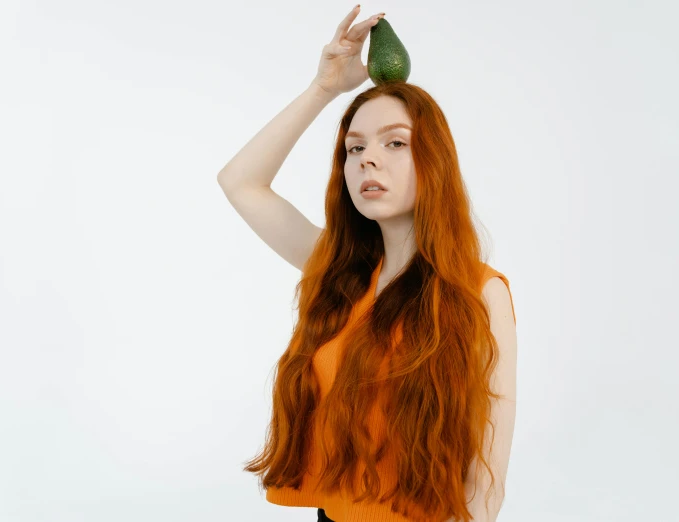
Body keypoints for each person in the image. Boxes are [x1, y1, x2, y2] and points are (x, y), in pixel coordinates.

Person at [217, 6, 517, 522]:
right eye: (354, 148)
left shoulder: (478, 291)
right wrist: (324, 88)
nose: (366, 160)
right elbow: (240, 182)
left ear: (435, 161)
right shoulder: (337, 271)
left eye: (394, 143)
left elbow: (484, 485)